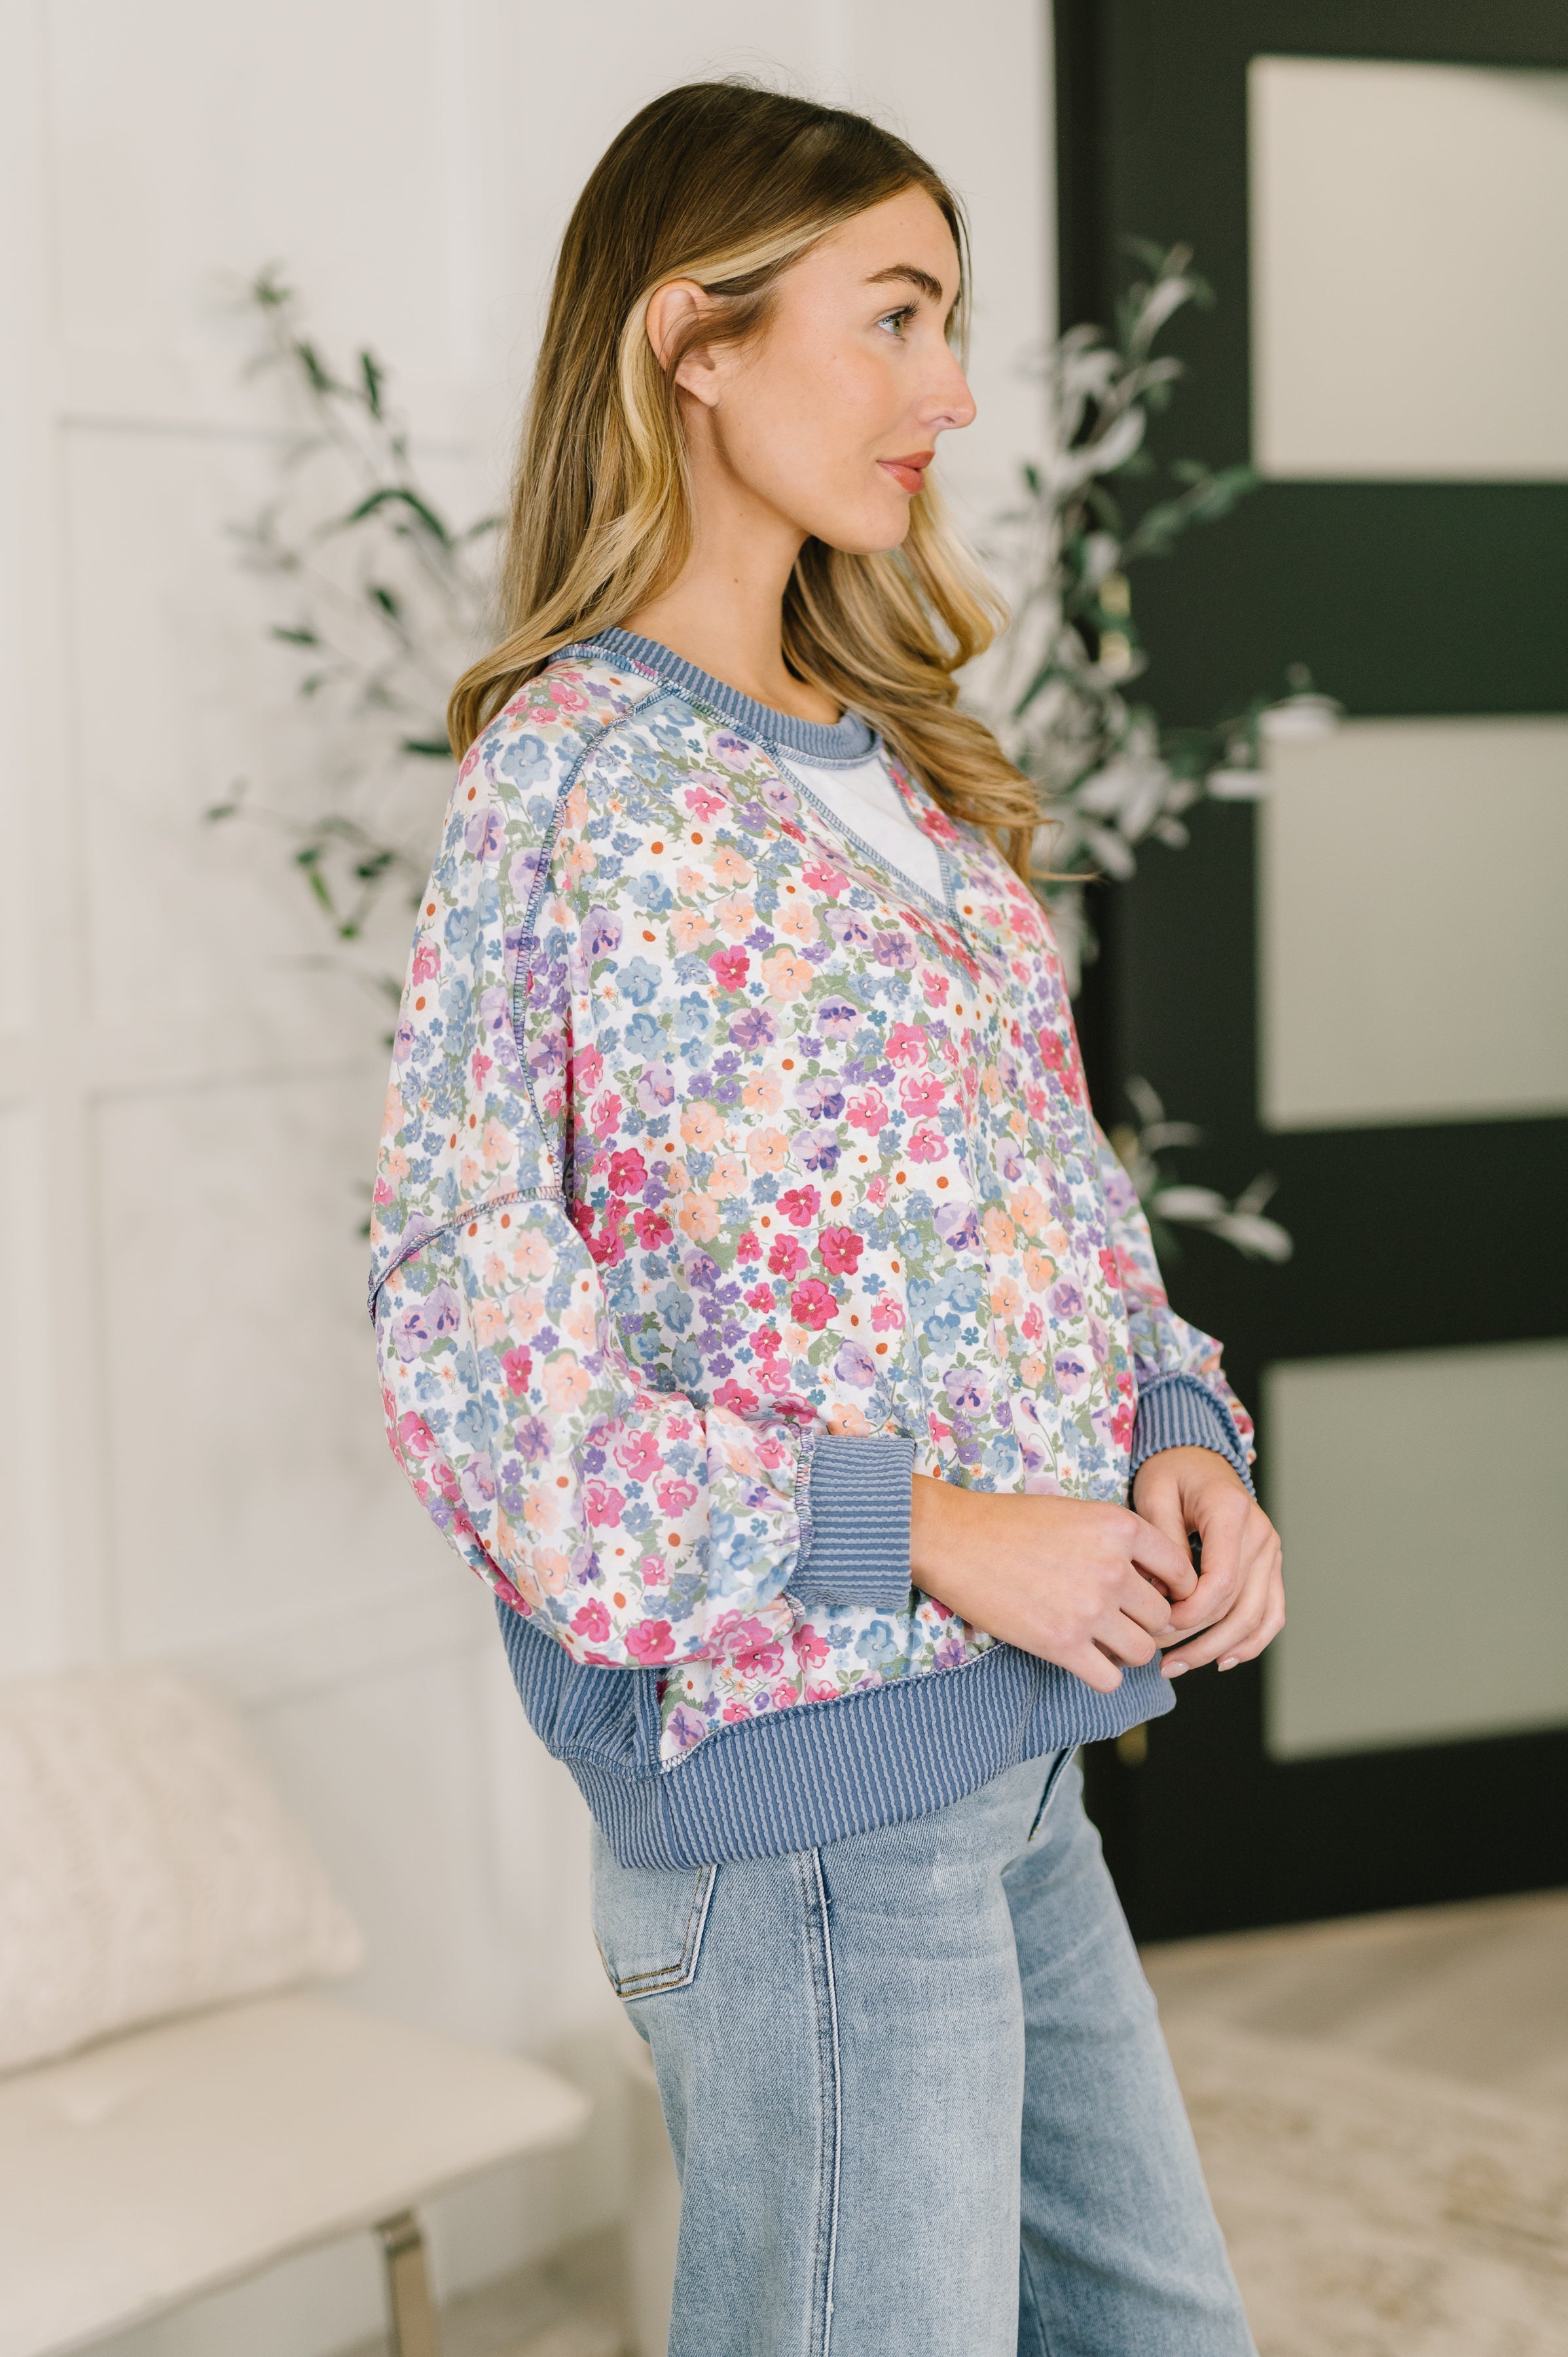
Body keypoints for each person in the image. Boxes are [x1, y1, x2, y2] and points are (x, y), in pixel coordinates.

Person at [371, 81, 1283, 2357]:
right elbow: (485, 1377)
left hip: (1015, 1760)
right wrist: (935, 1531)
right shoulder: (566, 779)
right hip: (794, 1821)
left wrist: (1178, 1424)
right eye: (893, 317)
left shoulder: (902, 766)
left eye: (946, 324)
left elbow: (1053, 1208)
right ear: (692, 334)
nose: (949, 390)